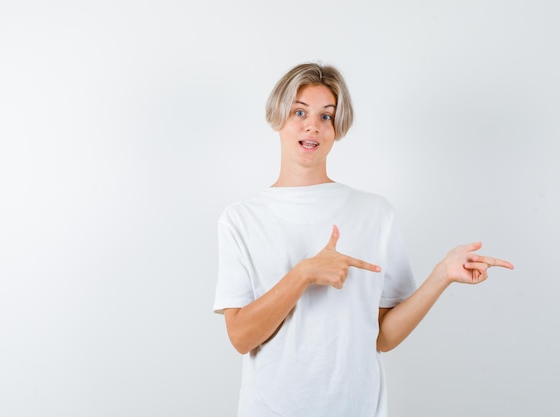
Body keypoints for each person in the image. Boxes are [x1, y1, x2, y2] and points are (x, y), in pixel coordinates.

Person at [213, 62, 513, 417]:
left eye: (327, 116)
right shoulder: (241, 219)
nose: (313, 125)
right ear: (277, 118)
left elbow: (383, 337)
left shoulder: (375, 214)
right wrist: (304, 273)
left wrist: (442, 275)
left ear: (338, 129)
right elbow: (241, 337)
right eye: (299, 112)